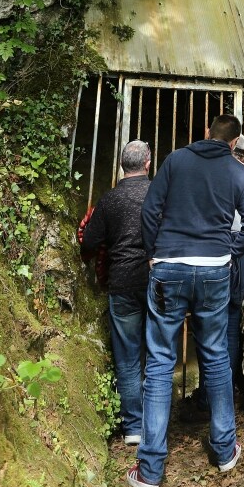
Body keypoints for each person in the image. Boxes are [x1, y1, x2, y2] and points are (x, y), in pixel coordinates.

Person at [127, 115, 244, 487]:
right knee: (216, 356)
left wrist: (156, 253)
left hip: (169, 265)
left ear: (207, 132)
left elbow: (150, 211)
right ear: (234, 142)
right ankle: (224, 450)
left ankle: (150, 470)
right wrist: (229, 251)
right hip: (214, 271)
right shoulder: (238, 174)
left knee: (159, 361)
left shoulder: (175, 160)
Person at [183, 133, 244, 421]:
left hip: (207, 253)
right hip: (239, 256)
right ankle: (222, 397)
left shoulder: (206, 172)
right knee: (231, 326)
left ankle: (206, 397)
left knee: (207, 325)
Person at [79, 140, 151, 446]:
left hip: (122, 283)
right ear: (148, 163)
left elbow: (89, 243)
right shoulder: (160, 194)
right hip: (157, 281)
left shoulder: (109, 200)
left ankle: (133, 427)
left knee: (127, 357)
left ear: (123, 165)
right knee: (159, 354)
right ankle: (157, 422)